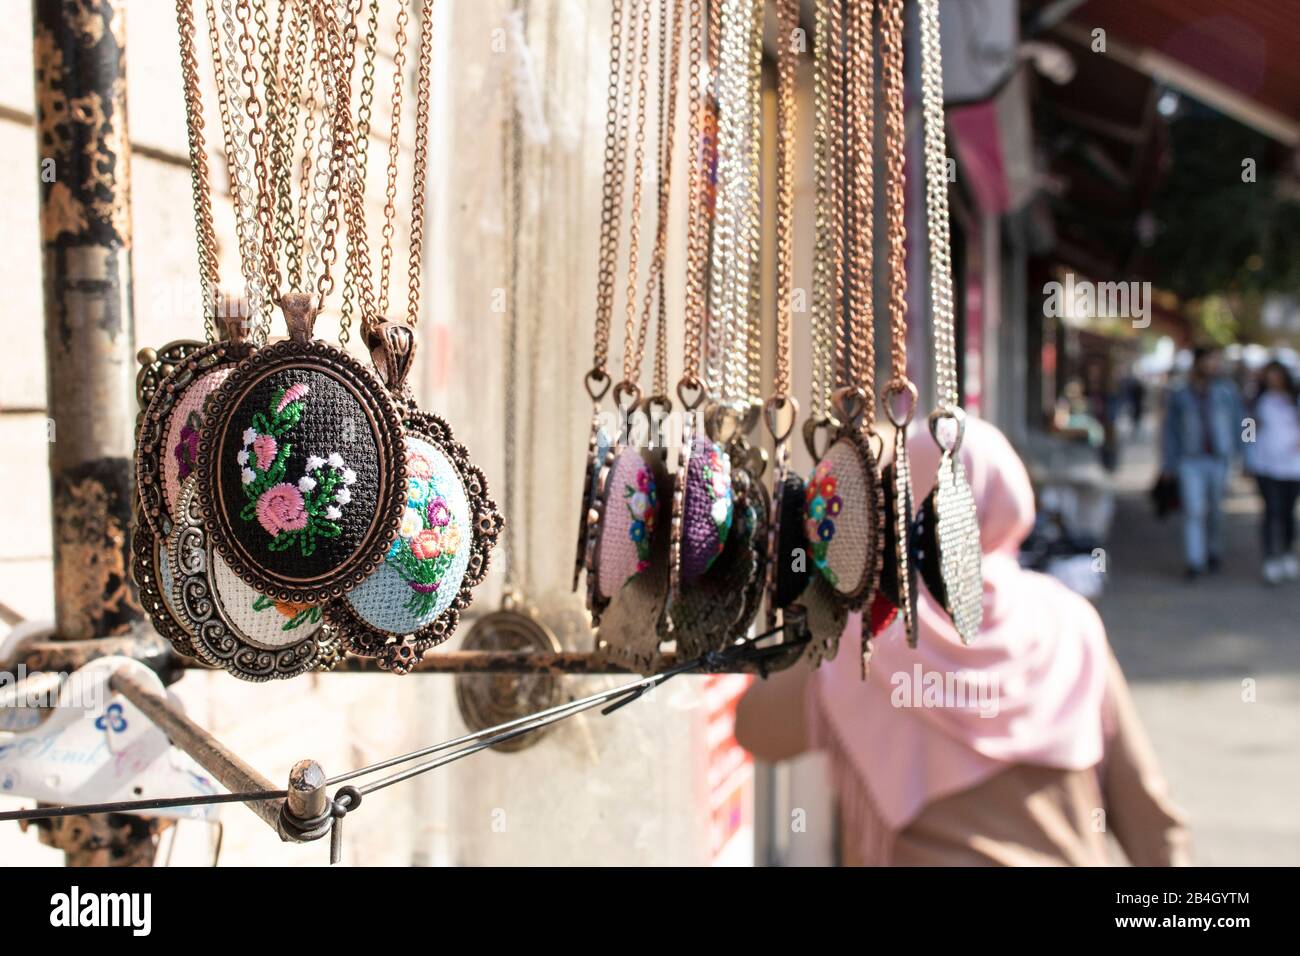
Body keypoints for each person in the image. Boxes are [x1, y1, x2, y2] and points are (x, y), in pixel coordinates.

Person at [735, 418, 1189, 866]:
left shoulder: (872, 640)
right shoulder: (1068, 622)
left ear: (898, 505)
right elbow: (1147, 812)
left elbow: (756, 729)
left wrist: (833, 599)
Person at [1160, 346, 1245, 578]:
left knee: (1216, 511)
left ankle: (1214, 551)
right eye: (1210, 360)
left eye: (1216, 360)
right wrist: (1168, 463)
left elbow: (1243, 422)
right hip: (1190, 459)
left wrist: (1245, 453)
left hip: (1219, 459)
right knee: (1193, 510)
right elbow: (1169, 430)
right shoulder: (1180, 392)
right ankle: (1194, 561)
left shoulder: (1227, 391)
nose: (1214, 365)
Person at [1246, 361, 1300, 584]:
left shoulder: (1293, 400)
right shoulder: (1258, 401)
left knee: (1287, 512)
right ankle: (1270, 558)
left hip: (1292, 466)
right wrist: (1247, 454)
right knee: (1271, 510)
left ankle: (1287, 551)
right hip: (1265, 465)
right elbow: (1246, 429)